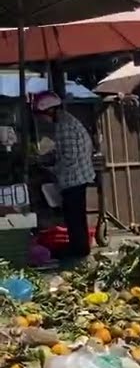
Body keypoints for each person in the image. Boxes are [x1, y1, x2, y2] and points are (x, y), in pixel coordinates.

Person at [36, 92, 93, 262]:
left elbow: (69, 157)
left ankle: (78, 250)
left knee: (74, 217)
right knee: (76, 216)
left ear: (50, 111)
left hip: (73, 178)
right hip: (76, 177)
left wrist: (51, 168)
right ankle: (79, 247)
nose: (43, 119)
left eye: (42, 115)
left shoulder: (64, 126)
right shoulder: (67, 121)